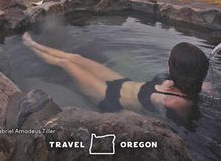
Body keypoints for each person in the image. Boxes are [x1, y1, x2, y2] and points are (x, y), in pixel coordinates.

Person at [22, 33, 209, 119]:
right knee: (76, 57)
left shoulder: (175, 102)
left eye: (171, 57)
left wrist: (122, 115)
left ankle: (29, 46)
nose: (168, 57)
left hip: (108, 97)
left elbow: (163, 119)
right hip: (121, 82)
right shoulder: (183, 83)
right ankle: (36, 44)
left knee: (66, 63)